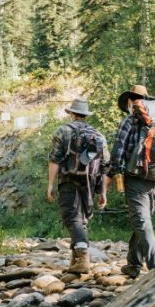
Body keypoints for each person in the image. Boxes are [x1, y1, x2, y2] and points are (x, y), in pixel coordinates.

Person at [103, 84, 155, 280]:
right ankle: (133, 264)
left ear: (130, 101)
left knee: (142, 222)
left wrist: (109, 176)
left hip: (136, 177)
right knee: (143, 223)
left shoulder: (130, 120)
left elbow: (118, 151)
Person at [47, 98, 109, 274]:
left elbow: (54, 159)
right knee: (81, 220)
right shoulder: (98, 135)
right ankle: (75, 260)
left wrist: (50, 184)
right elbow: (105, 165)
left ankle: (82, 255)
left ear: (72, 114)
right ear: (85, 115)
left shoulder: (63, 131)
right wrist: (103, 192)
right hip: (90, 182)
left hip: (69, 180)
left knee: (71, 217)